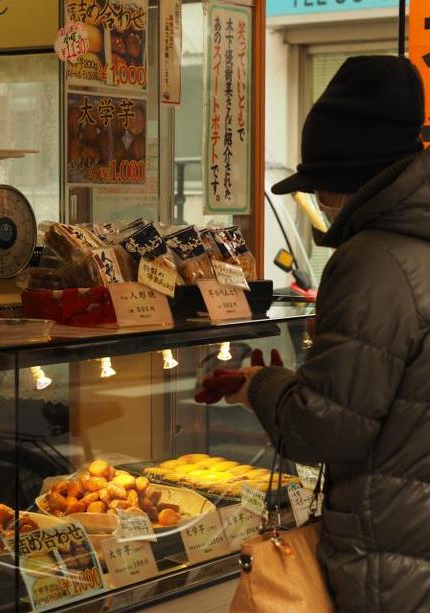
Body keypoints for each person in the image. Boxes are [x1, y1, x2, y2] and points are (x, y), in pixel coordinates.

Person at [199, 56, 430, 612]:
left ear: (349, 179)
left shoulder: (372, 261)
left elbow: (327, 430)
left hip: (392, 560)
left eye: (323, 187)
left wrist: (260, 384)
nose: (321, 203)